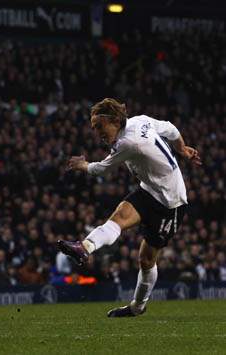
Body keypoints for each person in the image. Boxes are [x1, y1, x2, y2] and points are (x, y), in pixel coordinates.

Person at [57, 98, 201, 317]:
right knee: (118, 218)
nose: (97, 133)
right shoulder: (140, 120)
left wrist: (82, 165)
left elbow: (100, 170)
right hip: (149, 190)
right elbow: (170, 128)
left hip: (170, 202)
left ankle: (138, 306)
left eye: (99, 126)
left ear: (115, 120)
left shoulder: (129, 142)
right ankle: (84, 247)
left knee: (146, 259)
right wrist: (182, 149)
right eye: (94, 128)